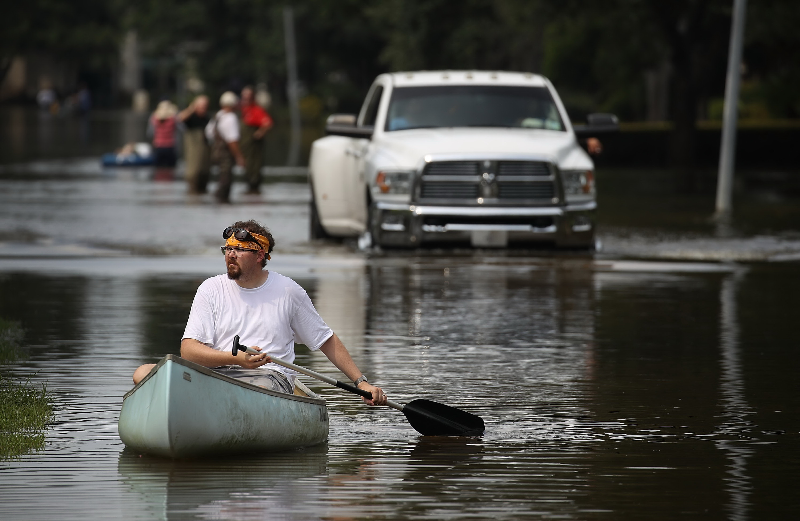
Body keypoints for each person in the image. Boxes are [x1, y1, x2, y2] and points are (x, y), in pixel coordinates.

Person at [131, 219, 387, 407]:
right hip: (218, 374)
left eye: (239, 250)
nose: (230, 255)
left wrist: (361, 382)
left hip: (269, 379)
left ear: (260, 255)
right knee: (143, 373)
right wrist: (234, 359)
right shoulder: (210, 289)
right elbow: (188, 350)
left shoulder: (288, 291)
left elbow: (325, 340)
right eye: (227, 249)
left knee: (253, 389)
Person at [206, 92, 245, 203]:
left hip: (215, 151)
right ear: (232, 104)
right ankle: (221, 200)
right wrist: (239, 157)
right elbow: (232, 141)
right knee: (226, 179)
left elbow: (208, 133)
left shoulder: (218, 115)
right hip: (226, 153)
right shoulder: (231, 118)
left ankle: (217, 199)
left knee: (221, 176)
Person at [239, 86, 273, 194]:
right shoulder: (242, 110)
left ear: (252, 97)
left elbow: (268, 123)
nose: (246, 99)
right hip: (244, 150)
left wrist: (260, 133)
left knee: (254, 172)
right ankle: (250, 192)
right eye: (244, 96)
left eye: (248, 96)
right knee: (246, 171)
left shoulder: (256, 110)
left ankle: (254, 192)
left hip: (253, 150)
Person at [177, 95, 211, 194]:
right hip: (193, 160)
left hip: (204, 160)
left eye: (205, 107)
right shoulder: (190, 118)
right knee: (193, 180)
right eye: (201, 106)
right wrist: (191, 108)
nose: (203, 109)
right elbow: (179, 118)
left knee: (204, 180)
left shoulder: (207, 119)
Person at [148, 100, 179, 167]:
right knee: (171, 169)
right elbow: (181, 129)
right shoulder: (174, 119)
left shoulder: (154, 119)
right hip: (170, 146)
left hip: (158, 146)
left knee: (158, 169)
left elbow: (150, 133)